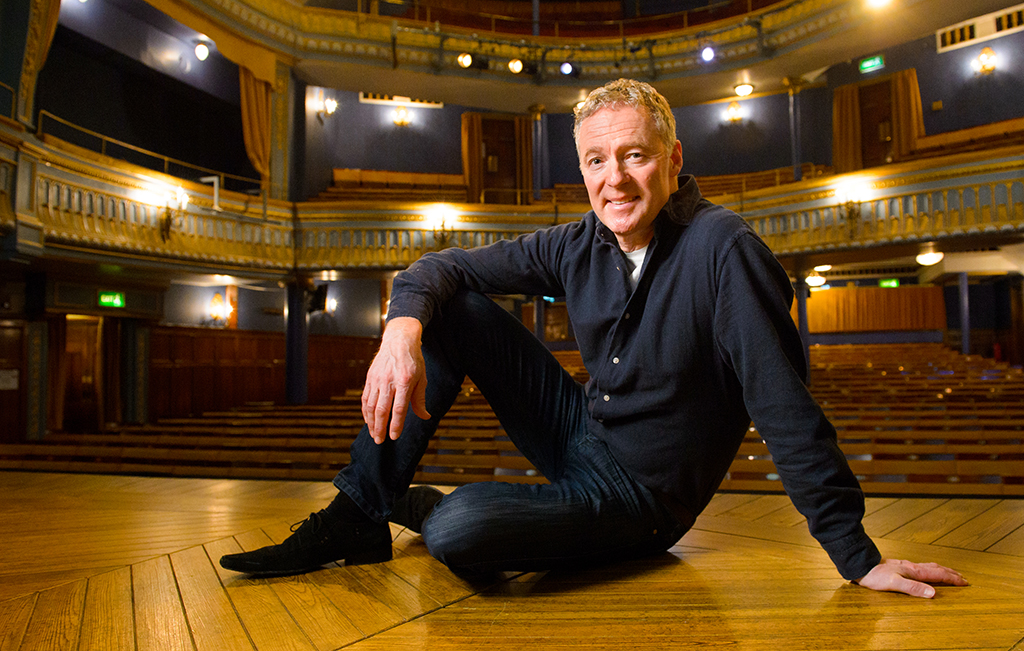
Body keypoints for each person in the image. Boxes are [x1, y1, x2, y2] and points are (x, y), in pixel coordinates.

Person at [221, 79, 965, 598]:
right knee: (446, 306)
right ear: (582, 169)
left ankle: (417, 506)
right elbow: (441, 265)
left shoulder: (723, 249)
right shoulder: (582, 242)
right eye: (596, 161)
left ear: (673, 160)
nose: (616, 179)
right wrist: (401, 329)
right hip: (583, 436)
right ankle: (360, 512)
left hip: (644, 498)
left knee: (459, 529)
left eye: (636, 155)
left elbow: (783, 405)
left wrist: (855, 555)